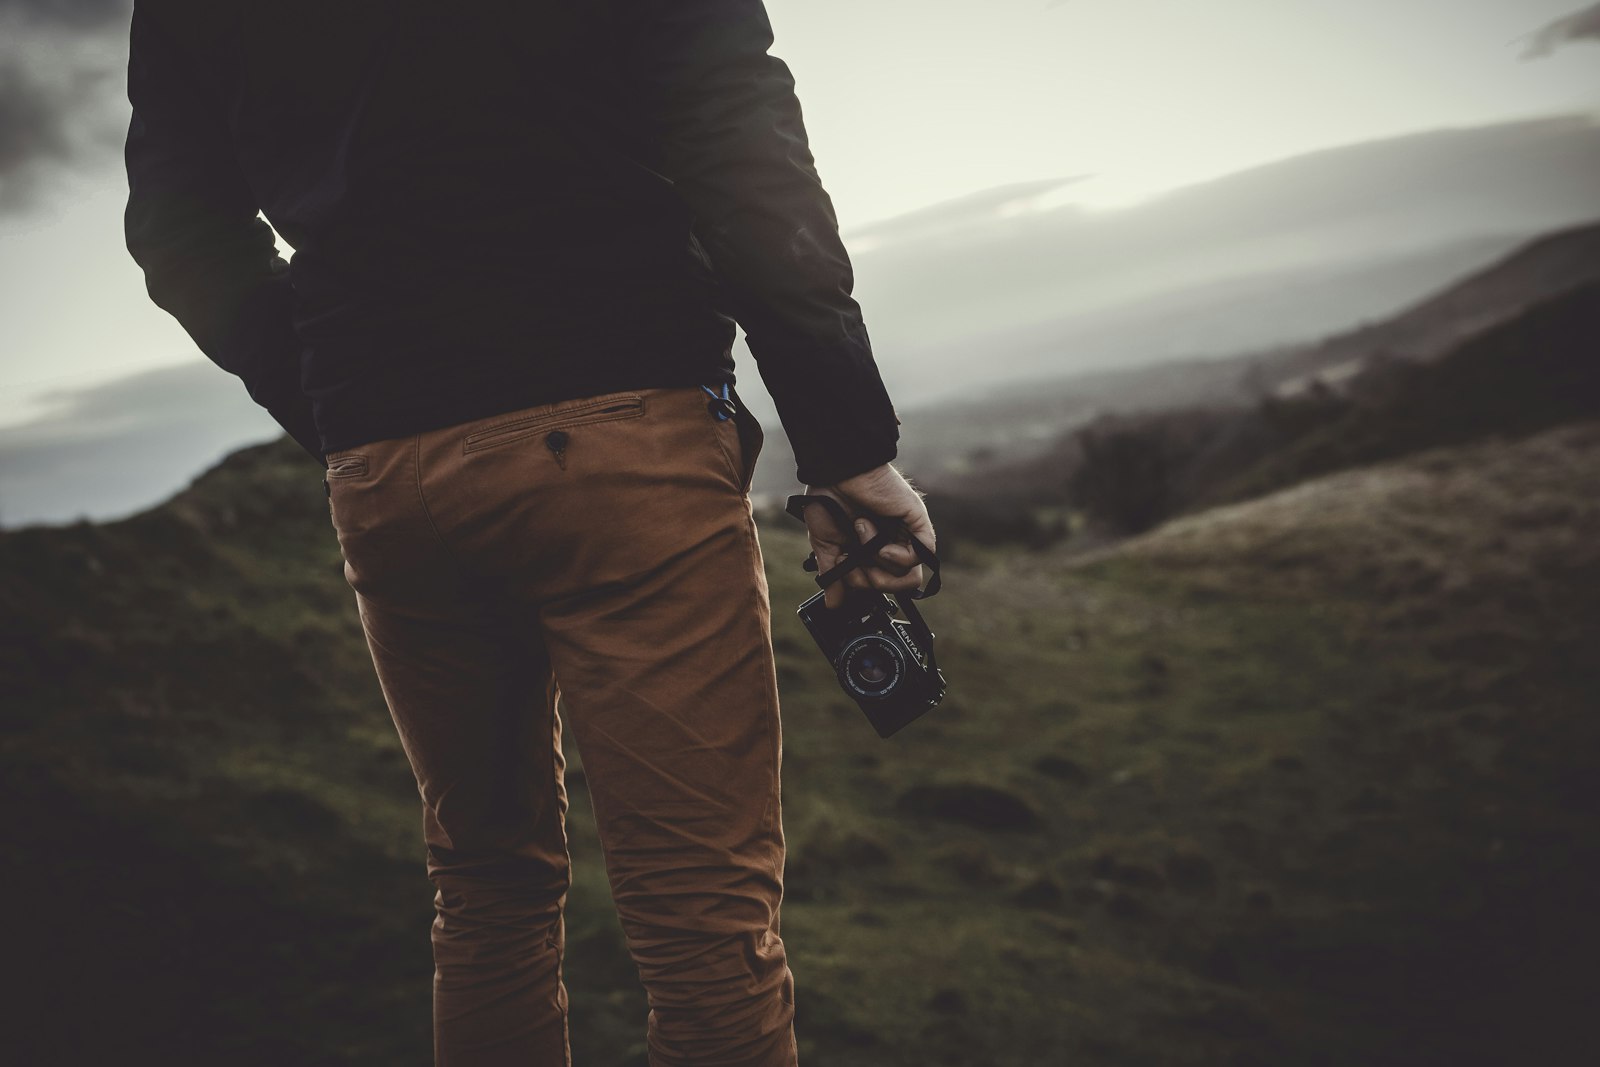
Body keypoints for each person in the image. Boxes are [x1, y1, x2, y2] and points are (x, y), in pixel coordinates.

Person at [123, 1, 935, 1063]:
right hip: (624, 433)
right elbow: (737, 137)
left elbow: (179, 225)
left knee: (486, 896)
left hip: (390, 473)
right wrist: (845, 445)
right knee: (705, 924)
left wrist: (347, 406)